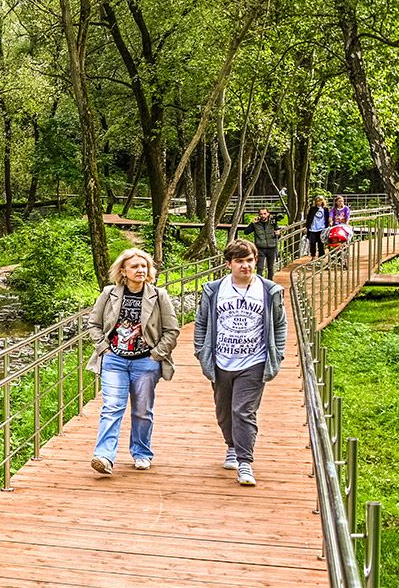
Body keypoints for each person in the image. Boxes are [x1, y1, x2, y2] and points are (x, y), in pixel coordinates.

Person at [194, 238, 287, 487]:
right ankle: (232, 446)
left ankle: (245, 463)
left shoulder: (269, 291)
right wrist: (200, 352)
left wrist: (277, 355)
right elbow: (201, 322)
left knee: (243, 411)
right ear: (229, 264)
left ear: (256, 261)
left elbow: (280, 324)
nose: (245, 266)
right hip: (221, 361)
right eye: (239, 261)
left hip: (254, 361)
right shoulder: (214, 290)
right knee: (224, 412)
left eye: (249, 260)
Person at [86, 248, 180, 475]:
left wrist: (156, 354)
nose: (140, 270)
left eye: (144, 266)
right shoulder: (109, 294)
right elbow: (93, 324)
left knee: (142, 411)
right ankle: (104, 456)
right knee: (112, 407)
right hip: (114, 360)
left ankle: (141, 453)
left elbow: (172, 329)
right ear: (123, 271)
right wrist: (103, 348)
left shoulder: (159, 296)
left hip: (146, 363)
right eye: (134, 266)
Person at [244, 207, 280, 280]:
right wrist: (252, 223)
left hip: (272, 247)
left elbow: (278, 234)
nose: (263, 216)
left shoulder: (273, 223)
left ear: (268, 214)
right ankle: (259, 282)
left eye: (265, 214)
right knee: (260, 268)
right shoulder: (256, 224)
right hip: (260, 248)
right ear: (259, 215)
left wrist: (278, 234)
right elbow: (246, 232)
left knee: (270, 267)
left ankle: (270, 283)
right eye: (261, 214)